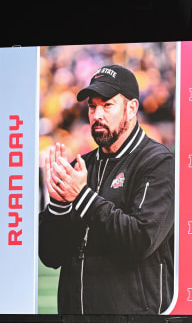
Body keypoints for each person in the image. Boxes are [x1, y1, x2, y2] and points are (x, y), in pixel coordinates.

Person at [39, 64, 175, 314]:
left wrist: (82, 197)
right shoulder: (80, 167)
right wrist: (58, 205)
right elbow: (50, 255)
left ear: (132, 108)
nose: (97, 115)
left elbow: (140, 240)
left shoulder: (158, 161)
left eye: (107, 105)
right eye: (92, 106)